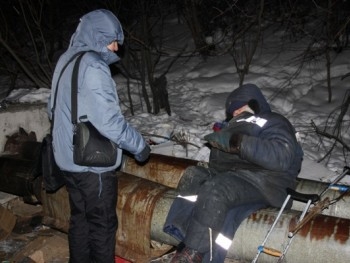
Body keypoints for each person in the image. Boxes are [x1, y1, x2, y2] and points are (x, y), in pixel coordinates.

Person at [47, 9, 150, 263]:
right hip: (92, 164)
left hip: (66, 159)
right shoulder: (93, 65)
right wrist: (139, 145)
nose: (116, 47)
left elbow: (52, 109)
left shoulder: (66, 60)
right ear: (97, 36)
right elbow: (109, 122)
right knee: (102, 227)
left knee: (81, 221)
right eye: (112, 40)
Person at [166, 83, 303, 263]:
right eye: (233, 111)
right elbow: (218, 163)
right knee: (194, 175)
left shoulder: (273, 120)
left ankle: (193, 253)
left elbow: (281, 156)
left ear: (254, 104)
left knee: (217, 188)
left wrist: (238, 143)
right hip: (237, 177)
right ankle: (183, 234)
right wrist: (219, 147)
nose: (235, 113)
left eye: (239, 108)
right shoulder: (232, 125)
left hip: (266, 182)